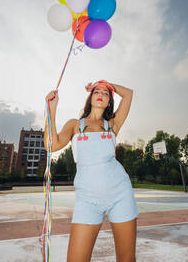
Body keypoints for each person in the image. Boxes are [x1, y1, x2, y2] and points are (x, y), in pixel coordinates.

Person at [44, 80, 139, 262]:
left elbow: (128, 94)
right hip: (87, 199)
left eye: (105, 93)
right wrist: (51, 108)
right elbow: (51, 145)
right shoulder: (74, 125)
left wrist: (105, 82)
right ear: (90, 97)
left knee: (126, 259)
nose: (101, 94)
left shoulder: (112, 124)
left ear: (109, 101)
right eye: (97, 91)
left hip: (120, 194)